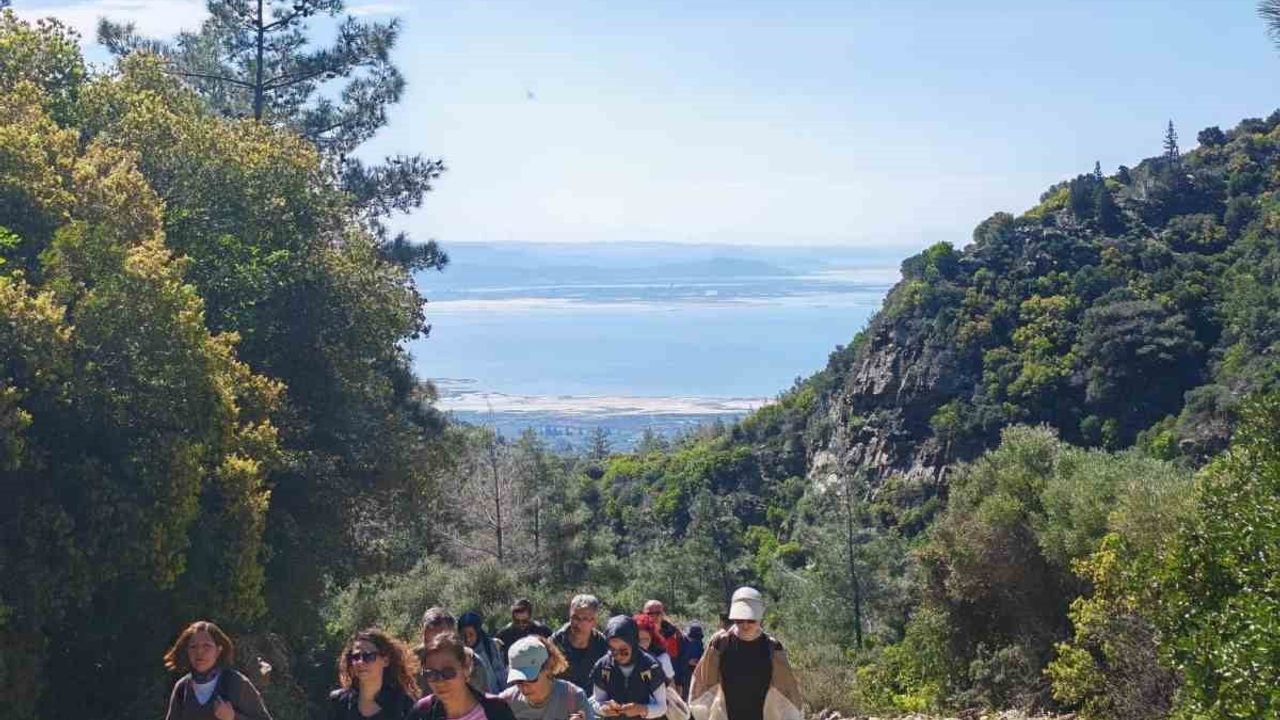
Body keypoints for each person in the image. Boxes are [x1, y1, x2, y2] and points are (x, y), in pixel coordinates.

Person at [687, 588, 802, 720]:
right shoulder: (720, 643)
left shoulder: (773, 647)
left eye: (751, 620)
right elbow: (703, 684)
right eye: (740, 620)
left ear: (759, 618)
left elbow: (787, 691)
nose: (745, 625)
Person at [162, 619, 272, 720]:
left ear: (218, 650)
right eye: (193, 647)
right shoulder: (182, 688)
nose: (199, 652)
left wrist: (233, 717)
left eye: (207, 646)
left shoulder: (236, 683)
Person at [409, 632, 517, 720]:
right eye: (431, 674)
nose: (440, 681)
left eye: (448, 672)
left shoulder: (497, 710)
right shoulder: (422, 712)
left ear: (466, 668)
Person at [330, 628, 420, 719]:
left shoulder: (403, 705)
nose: (360, 662)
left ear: (385, 661)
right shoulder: (339, 702)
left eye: (368, 656)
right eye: (356, 657)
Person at [587, 615, 666, 719]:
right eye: (613, 650)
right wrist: (603, 709)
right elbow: (596, 702)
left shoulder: (650, 666)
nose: (618, 656)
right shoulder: (603, 666)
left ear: (633, 643)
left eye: (624, 650)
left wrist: (641, 709)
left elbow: (662, 707)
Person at [499, 636, 594, 720]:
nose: (524, 686)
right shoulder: (504, 703)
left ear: (548, 667)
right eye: (518, 680)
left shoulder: (574, 698)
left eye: (530, 678)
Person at [415, 607, 495, 694]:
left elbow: (481, 698)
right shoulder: (412, 663)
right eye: (428, 642)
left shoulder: (472, 662)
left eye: (441, 643)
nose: (434, 649)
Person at [550, 594, 609, 692]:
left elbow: (607, 679)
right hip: (560, 697)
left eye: (584, 619)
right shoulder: (555, 642)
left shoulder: (602, 644)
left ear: (594, 621)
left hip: (591, 698)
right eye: (575, 617)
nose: (577, 623)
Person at [460, 611, 508, 694]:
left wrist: (505, 694)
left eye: (471, 634)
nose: (467, 639)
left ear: (478, 632)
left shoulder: (489, 645)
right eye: (464, 635)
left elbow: (499, 671)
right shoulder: (458, 652)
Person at [632, 615, 675, 684]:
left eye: (646, 639)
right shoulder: (626, 657)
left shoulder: (662, 658)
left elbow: (670, 681)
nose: (643, 644)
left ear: (652, 638)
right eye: (639, 640)